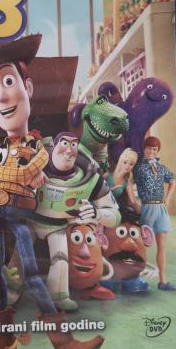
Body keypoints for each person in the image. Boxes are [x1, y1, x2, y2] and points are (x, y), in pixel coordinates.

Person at [0, 34, 104, 349]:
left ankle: (64, 343)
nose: (1, 95)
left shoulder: (38, 147)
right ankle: (2, 344)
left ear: (27, 88)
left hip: (20, 219)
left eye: (7, 81)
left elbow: (25, 172)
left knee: (32, 274)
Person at [28, 132, 120, 311]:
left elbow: (115, 215)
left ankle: (59, 296)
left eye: (73, 145)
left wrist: (97, 213)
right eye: (64, 143)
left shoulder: (91, 179)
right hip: (29, 221)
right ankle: (11, 290)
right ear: (53, 146)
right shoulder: (31, 165)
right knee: (20, 257)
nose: (69, 151)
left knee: (61, 260)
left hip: (59, 226)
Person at [133, 136, 176, 290]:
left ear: (158, 151)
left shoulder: (161, 168)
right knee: (142, 246)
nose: (151, 152)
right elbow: (128, 182)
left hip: (160, 208)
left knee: (162, 247)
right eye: (149, 148)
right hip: (147, 207)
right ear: (144, 148)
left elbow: (172, 181)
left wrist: (167, 199)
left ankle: (163, 281)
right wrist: (133, 202)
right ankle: (137, 279)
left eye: (154, 149)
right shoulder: (139, 167)